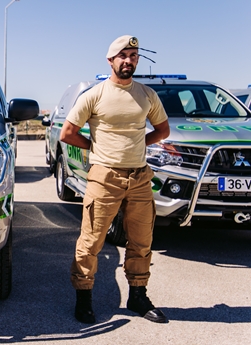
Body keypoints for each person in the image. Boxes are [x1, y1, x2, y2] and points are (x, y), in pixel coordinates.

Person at [59, 35, 171, 324]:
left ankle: (138, 297)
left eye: (133, 56)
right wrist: (95, 147)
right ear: (111, 60)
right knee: (91, 241)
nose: (128, 61)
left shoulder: (147, 95)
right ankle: (84, 299)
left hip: (140, 177)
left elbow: (163, 130)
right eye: (123, 56)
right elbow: (68, 133)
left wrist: (138, 144)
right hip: (103, 177)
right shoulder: (94, 95)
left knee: (141, 241)